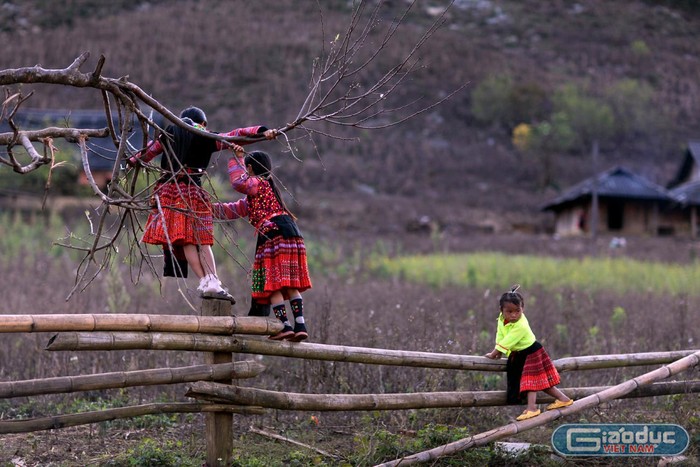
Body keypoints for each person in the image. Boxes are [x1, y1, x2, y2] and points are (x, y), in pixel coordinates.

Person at [128, 106, 277, 301]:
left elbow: (145, 154)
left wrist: (130, 160)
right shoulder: (206, 137)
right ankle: (213, 281)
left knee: (186, 240)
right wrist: (262, 132)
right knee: (202, 239)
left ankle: (206, 282)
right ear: (203, 124)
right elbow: (234, 136)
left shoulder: (168, 135)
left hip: (167, 193)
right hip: (193, 192)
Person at [213, 149, 312, 341]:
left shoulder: (256, 183)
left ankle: (284, 326)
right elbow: (231, 210)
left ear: (249, 168)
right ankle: (300, 324)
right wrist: (205, 208)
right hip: (292, 234)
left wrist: (237, 158)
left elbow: (237, 183)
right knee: (289, 282)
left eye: (245, 168)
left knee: (271, 284)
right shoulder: (265, 190)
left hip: (272, 235)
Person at [484, 284, 573, 421]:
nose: (514, 315)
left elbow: (510, 339)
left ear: (522, 309)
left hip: (531, 351)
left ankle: (532, 408)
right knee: (540, 382)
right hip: (521, 353)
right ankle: (563, 399)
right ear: (501, 310)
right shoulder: (502, 320)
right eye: (509, 311)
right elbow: (501, 335)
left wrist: (495, 352)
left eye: (517, 311)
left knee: (531, 380)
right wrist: (498, 349)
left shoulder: (521, 325)